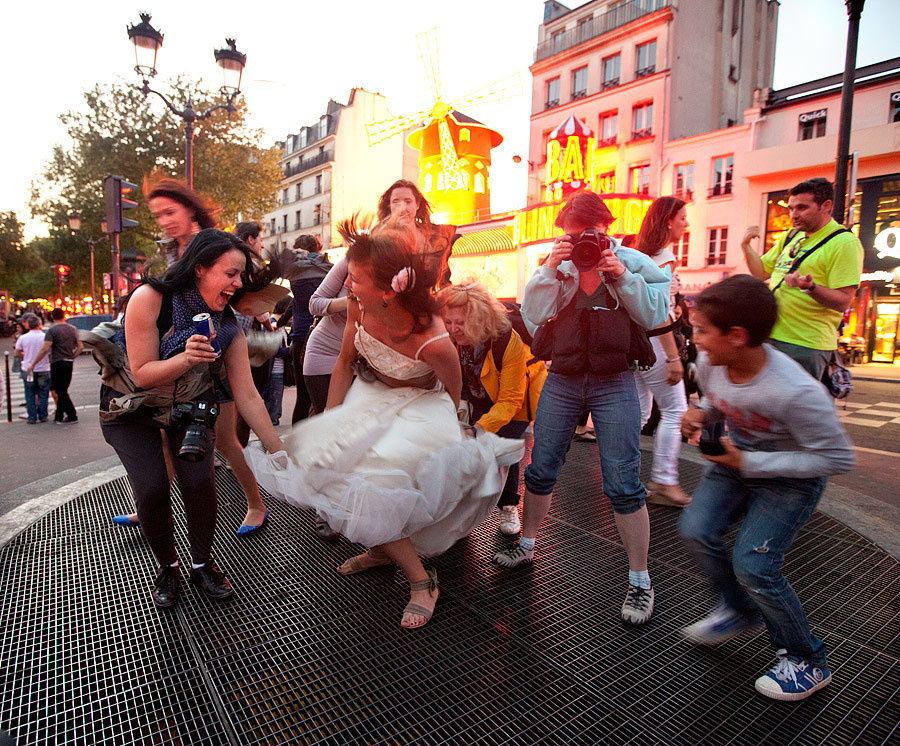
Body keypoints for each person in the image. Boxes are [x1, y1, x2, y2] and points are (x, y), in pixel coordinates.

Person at [246, 218, 522, 629]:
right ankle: (380, 550)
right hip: (369, 397)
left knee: (376, 487)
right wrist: (333, 417)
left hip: (420, 411)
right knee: (332, 470)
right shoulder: (358, 306)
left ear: (388, 290)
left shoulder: (433, 338)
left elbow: (452, 393)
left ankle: (422, 580)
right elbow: (343, 363)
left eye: (356, 278)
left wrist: (456, 435)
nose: (348, 285)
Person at [493, 191, 670, 626]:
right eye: (575, 235)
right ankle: (529, 545)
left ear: (607, 227)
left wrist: (622, 275)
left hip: (615, 381)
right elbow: (532, 315)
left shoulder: (632, 262)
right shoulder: (558, 267)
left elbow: (655, 316)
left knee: (624, 481)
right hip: (564, 377)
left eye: (593, 233)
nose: (586, 242)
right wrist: (551, 268)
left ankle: (640, 580)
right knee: (541, 468)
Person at [679, 274, 854, 701]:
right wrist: (701, 415)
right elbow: (715, 399)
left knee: (755, 565)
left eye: (702, 330)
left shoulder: (796, 391)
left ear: (737, 336)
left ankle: (808, 660)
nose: (695, 339)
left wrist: (750, 461)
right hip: (737, 462)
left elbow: (838, 459)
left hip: (789, 479)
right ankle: (738, 611)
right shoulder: (710, 363)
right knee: (695, 530)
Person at [98, 229, 283, 609]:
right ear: (200, 268)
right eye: (231, 273)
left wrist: (280, 450)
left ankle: (202, 564)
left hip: (187, 405)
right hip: (131, 408)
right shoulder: (150, 299)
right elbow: (144, 372)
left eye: (241, 275)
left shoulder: (228, 324)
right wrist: (187, 357)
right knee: (151, 489)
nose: (238, 283)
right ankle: (168, 567)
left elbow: (247, 394)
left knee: (199, 483)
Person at [109, 178, 268, 536]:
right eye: (157, 215)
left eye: (169, 211)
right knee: (167, 438)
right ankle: (150, 503)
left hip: (217, 355)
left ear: (189, 209)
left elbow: (233, 301)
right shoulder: (172, 250)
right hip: (177, 364)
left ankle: (256, 504)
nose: (163, 220)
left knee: (226, 441)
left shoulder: (212, 246)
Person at [440, 281, 545, 536]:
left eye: (461, 323)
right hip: (479, 392)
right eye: (449, 321)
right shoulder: (453, 337)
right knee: (463, 446)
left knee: (500, 448)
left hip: (515, 400)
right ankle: (462, 509)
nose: (454, 329)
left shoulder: (507, 341)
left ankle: (508, 505)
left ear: (477, 319)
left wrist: (479, 428)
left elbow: (510, 400)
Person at [740, 177, 863, 380]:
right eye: (791, 208)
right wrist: (745, 246)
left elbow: (843, 301)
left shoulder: (844, 243)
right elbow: (761, 271)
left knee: (791, 408)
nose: (793, 215)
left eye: (802, 208)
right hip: (770, 336)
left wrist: (810, 287)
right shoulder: (793, 235)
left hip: (805, 344)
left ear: (826, 206)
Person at [633, 197, 691, 507]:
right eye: (683, 217)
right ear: (668, 220)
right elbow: (659, 313)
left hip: (635, 344)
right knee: (674, 410)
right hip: (656, 344)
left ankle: (621, 473)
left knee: (638, 413)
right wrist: (672, 358)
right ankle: (665, 480)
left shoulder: (638, 255)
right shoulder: (665, 258)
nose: (686, 224)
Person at [283, 234, 333, 424]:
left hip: (300, 335)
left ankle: (297, 447)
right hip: (324, 335)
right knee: (325, 398)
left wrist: (279, 325)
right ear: (318, 248)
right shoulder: (326, 268)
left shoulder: (295, 271)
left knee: (302, 397)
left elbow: (295, 302)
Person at [29, 307, 82, 424]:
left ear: (52, 317)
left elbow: (45, 348)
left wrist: (34, 363)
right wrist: (73, 356)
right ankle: (59, 416)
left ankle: (72, 415)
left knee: (60, 390)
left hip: (57, 362)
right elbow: (80, 346)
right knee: (63, 389)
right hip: (69, 362)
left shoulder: (52, 331)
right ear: (64, 315)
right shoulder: (73, 329)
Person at [15, 314, 51, 423]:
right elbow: (49, 352)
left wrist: (25, 356)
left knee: (30, 394)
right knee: (43, 394)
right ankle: (43, 415)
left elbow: (16, 352)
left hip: (28, 369)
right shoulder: (45, 337)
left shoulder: (23, 338)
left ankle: (32, 417)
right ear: (39, 324)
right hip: (43, 368)